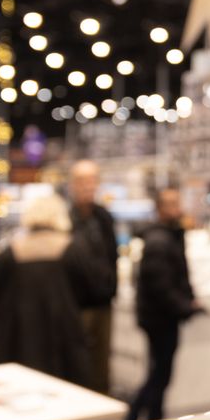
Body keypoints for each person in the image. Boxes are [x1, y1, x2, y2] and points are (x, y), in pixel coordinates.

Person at [0, 194, 109, 387]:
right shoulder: (72, 248)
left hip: (18, 341)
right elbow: (94, 291)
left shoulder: (12, 251)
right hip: (63, 342)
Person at [126, 188, 202, 420]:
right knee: (160, 374)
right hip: (159, 318)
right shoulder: (159, 241)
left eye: (177, 202)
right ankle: (133, 419)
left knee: (160, 374)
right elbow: (160, 285)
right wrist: (185, 306)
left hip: (161, 316)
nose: (176, 209)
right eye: (170, 204)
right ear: (159, 209)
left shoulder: (170, 236)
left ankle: (151, 419)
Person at [68, 159, 118, 394]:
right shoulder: (66, 219)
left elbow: (111, 256)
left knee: (101, 365)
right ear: (72, 184)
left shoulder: (104, 217)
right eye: (82, 181)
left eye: (92, 180)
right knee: (77, 364)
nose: (88, 186)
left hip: (103, 302)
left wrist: (111, 288)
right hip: (76, 305)